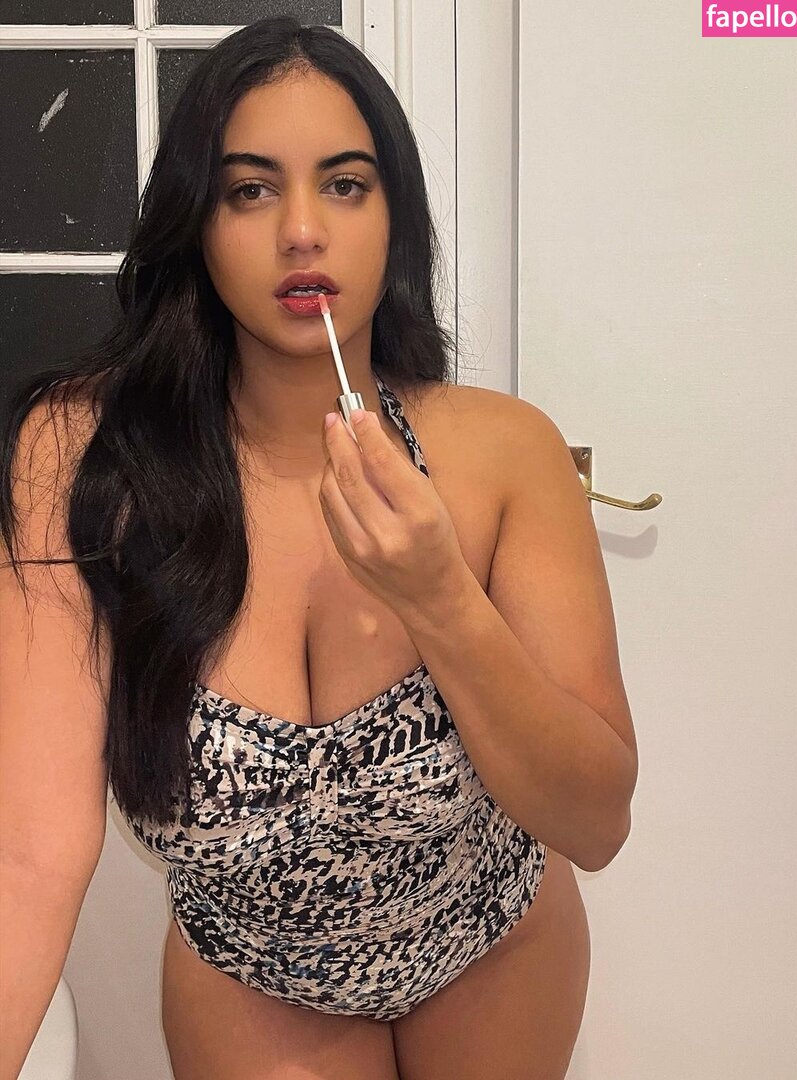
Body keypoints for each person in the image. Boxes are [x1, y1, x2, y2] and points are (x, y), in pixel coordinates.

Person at [0, 17, 636, 1080]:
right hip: (251, 976)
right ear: (196, 222)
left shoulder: (503, 453)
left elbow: (598, 820)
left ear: (397, 217)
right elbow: (27, 856)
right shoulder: (78, 460)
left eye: (345, 184)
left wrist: (441, 601)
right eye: (250, 190)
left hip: (488, 943)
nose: (302, 231)